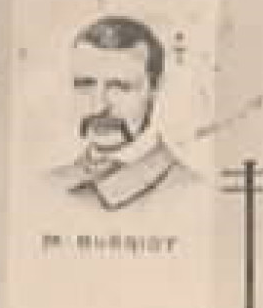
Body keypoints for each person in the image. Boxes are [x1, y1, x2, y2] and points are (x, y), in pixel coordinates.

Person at [48, 15, 199, 212]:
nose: (98, 106)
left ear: (155, 88)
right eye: (85, 84)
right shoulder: (45, 188)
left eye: (120, 87)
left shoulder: (191, 193)